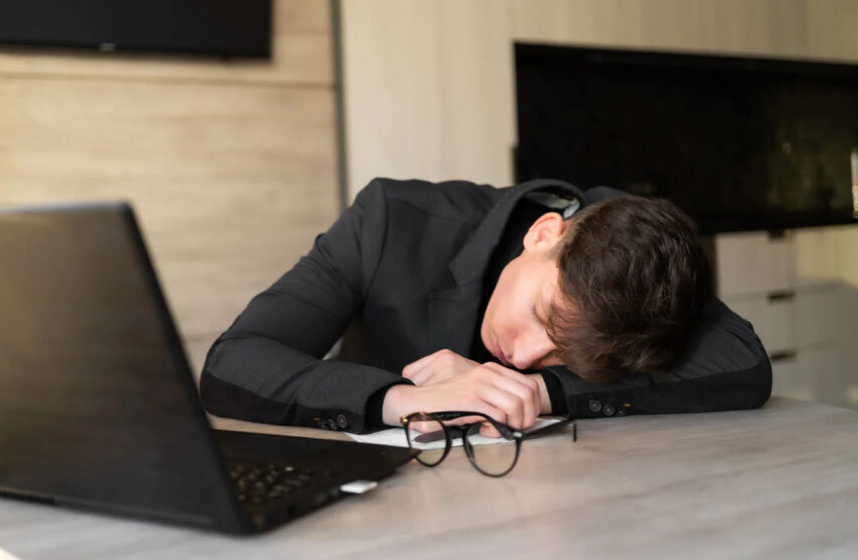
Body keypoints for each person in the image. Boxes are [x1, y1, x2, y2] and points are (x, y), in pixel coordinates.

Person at [200, 178, 771, 433]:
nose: (523, 356)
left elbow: (743, 363)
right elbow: (233, 362)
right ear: (546, 234)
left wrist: (541, 392)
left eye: (562, 353)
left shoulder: (637, 265)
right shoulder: (388, 223)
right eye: (544, 317)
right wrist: (406, 401)